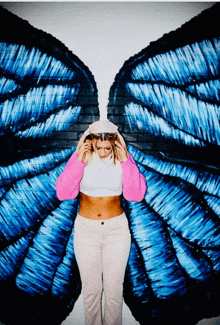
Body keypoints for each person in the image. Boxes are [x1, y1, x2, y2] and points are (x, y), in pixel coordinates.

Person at [56, 120, 147, 325]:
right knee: (91, 292)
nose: (104, 152)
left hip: (116, 231)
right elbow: (63, 193)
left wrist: (126, 162)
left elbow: (136, 195)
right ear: (91, 141)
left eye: (108, 148)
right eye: (100, 147)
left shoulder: (124, 158)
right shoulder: (82, 157)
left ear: (115, 143)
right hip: (86, 231)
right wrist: (78, 161)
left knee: (114, 292)